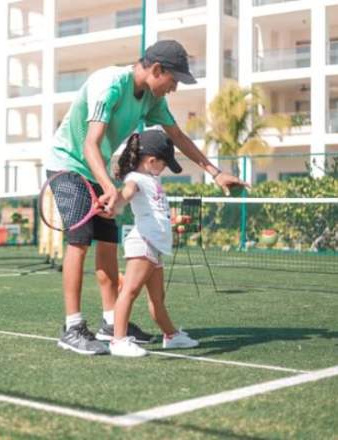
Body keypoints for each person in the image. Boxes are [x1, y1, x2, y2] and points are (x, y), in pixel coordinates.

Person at [44, 39, 249, 355]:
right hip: (68, 164)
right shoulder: (110, 84)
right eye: (174, 80)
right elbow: (89, 144)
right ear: (157, 70)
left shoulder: (151, 99)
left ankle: (111, 322)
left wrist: (215, 172)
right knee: (80, 239)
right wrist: (109, 185)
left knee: (109, 242)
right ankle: (72, 327)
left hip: (98, 170)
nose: (174, 88)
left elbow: (176, 136)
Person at [110, 130, 199, 358]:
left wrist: (174, 220)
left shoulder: (153, 179)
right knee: (129, 291)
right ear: (151, 160)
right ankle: (118, 340)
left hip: (155, 246)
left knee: (157, 298)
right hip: (144, 243)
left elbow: (156, 213)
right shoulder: (135, 179)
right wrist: (116, 203)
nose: (165, 167)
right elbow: (127, 193)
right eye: (164, 163)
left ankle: (171, 336)